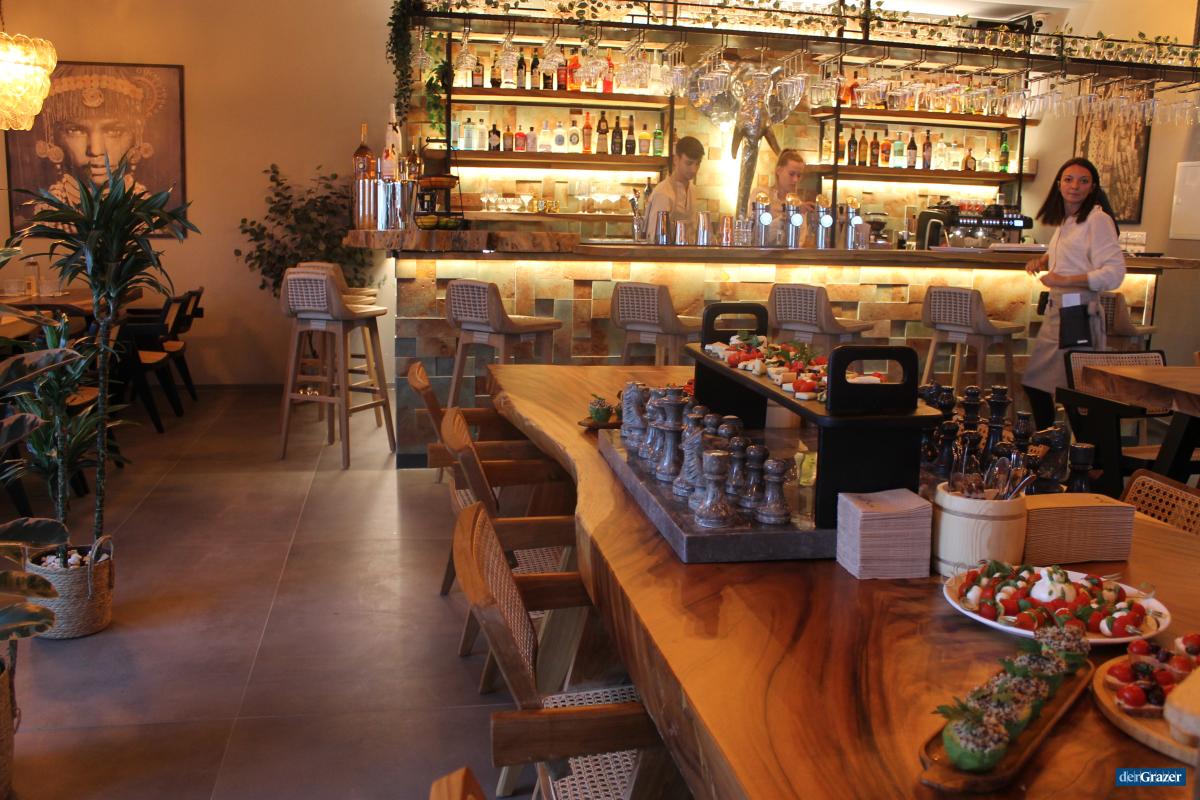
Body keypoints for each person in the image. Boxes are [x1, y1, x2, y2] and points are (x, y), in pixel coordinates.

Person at [1022, 157, 1126, 429]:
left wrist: (1065, 279)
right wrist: (1044, 260)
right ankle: (1054, 444)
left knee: (1068, 390)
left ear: (1093, 187)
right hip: (1061, 310)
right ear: (1059, 184)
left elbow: (1114, 273)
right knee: (1050, 386)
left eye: (1083, 181)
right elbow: (1074, 253)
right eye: (1069, 180)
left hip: (1077, 313)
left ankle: (1075, 448)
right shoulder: (1068, 219)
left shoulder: (1098, 220)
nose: (1075, 186)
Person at [746, 148, 814, 246]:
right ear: (778, 171)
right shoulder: (761, 195)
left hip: (788, 255)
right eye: (791, 174)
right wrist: (791, 214)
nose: (795, 180)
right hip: (761, 254)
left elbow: (800, 240)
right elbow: (758, 234)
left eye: (799, 175)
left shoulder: (797, 204)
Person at [643, 136, 704, 242]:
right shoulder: (663, 193)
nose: (694, 169)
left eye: (697, 164)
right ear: (676, 160)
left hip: (689, 252)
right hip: (666, 252)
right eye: (689, 163)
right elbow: (653, 239)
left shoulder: (692, 190)